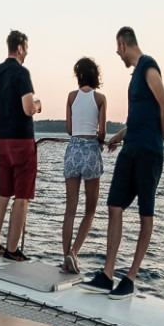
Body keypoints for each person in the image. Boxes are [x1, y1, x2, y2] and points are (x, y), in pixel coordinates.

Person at [84, 27, 164, 299]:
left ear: (123, 44)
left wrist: (157, 141)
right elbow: (140, 117)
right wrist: (120, 136)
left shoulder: (149, 67)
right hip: (130, 149)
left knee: (146, 214)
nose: (117, 53)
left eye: (117, 48)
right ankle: (107, 274)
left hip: (148, 153)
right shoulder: (135, 76)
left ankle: (130, 278)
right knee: (114, 206)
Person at [0, 30, 41, 262]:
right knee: (22, 196)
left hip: (3, 139)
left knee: (3, 193)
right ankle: (12, 249)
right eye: (26, 48)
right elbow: (28, 108)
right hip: (22, 140)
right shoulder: (21, 72)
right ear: (19, 48)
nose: (26, 52)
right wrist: (38, 105)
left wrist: (4, 122)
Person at [59, 58, 107, 274]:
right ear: (95, 75)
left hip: (73, 150)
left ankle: (65, 258)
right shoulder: (100, 98)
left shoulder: (71, 97)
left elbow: (69, 129)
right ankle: (74, 252)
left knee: (70, 210)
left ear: (78, 75)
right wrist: (99, 139)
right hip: (90, 151)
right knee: (90, 209)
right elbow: (102, 133)